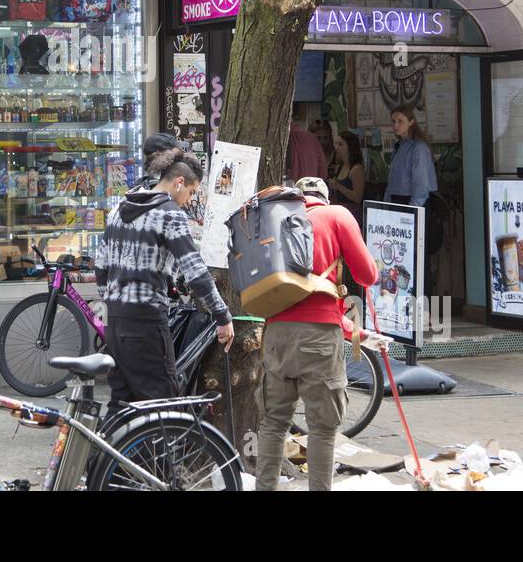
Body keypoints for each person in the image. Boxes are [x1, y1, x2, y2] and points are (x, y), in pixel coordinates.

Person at [255, 177, 381, 491]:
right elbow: (367, 275)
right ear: (323, 198)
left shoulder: (275, 219)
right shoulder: (337, 215)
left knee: (272, 423)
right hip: (320, 337)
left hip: (276, 333)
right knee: (323, 430)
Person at [94, 152, 233, 413]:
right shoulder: (169, 214)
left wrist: (112, 300)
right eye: (191, 192)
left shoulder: (118, 209)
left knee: (122, 402)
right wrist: (222, 315)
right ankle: (157, 455)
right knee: (163, 403)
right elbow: (195, 272)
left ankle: (107, 454)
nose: (189, 200)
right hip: (146, 322)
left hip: (114, 321)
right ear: (179, 182)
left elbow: (100, 267)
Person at [386, 104, 437, 208]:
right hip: (397, 200)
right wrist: (386, 203)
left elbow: (421, 183)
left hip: (413, 202)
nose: (395, 126)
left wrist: (413, 208)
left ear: (411, 122)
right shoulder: (399, 146)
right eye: (393, 121)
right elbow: (392, 181)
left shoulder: (419, 147)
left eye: (400, 121)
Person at [328, 131, 366, 216]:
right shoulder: (339, 167)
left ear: (350, 147)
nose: (337, 147)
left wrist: (338, 186)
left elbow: (357, 198)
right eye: (336, 144)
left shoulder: (356, 169)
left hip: (352, 213)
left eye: (341, 144)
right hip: (340, 211)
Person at [286, 103, 326, 183]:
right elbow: (323, 172)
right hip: (311, 191)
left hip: (288, 192)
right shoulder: (312, 138)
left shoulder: (279, 141)